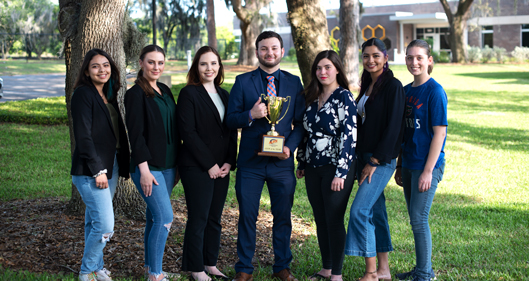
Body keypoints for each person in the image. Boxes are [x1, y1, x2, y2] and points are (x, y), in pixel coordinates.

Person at [226, 31, 305, 281]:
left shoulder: (294, 83)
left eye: (274, 48)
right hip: (250, 163)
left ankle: (282, 265)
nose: (269, 53)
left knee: (282, 215)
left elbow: (301, 123)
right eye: (264, 49)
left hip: (281, 164)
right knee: (247, 215)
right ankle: (244, 268)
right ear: (257, 52)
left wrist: (289, 148)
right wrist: (250, 115)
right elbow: (230, 119)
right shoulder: (242, 81)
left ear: (282, 52)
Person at [344, 37, 405, 281]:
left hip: (379, 160)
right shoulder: (367, 85)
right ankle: (384, 270)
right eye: (366, 56)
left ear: (385, 58)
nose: (370, 60)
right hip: (363, 156)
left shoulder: (393, 86)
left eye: (375, 56)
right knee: (377, 212)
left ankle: (370, 273)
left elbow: (394, 128)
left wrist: (374, 161)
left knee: (359, 211)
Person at [177, 46, 237, 281]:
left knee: (214, 218)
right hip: (196, 167)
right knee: (199, 217)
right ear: (196, 67)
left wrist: (229, 162)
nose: (209, 68)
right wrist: (209, 164)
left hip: (222, 168)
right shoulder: (189, 94)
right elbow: (188, 133)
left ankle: (210, 263)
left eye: (213, 63)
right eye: (203, 64)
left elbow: (231, 131)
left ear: (219, 66)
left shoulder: (225, 95)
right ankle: (195, 268)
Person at [295, 50, 357, 281]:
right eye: (319, 68)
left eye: (327, 67)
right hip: (312, 167)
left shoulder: (344, 97)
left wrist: (341, 172)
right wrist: (301, 160)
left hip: (336, 168)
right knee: (320, 218)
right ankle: (327, 267)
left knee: (333, 217)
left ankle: (337, 274)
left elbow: (349, 137)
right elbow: (305, 133)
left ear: (337, 69)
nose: (322, 72)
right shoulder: (310, 97)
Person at [70, 48, 130, 281]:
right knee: (105, 225)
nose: (102, 70)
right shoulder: (83, 95)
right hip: (92, 170)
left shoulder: (107, 94)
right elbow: (83, 137)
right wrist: (98, 170)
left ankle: (96, 267)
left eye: (105, 65)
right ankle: (86, 272)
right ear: (86, 70)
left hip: (111, 165)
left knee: (93, 222)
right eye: (95, 66)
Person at [394, 39, 447, 281]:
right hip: (408, 163)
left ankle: (425, 274)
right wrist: (399, 164)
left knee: (418, 218)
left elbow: (440, 133)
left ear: (429, 60)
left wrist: (428, 171)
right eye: (409, 57)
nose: (414, 62)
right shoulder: (406, 91)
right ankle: (421, 268)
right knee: (415, 219)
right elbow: (404, 132)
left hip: (427, 165)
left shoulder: (435, 91)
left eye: (419, 57)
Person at [124, 45, 178, 281]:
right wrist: (144, 171)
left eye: (160, 62)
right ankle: (155, 275)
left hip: (169, 166)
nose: (156, 67)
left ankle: (149, 266)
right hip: (149, 168)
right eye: (151, 62)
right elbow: (135, 136)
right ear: (141, 63)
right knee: (165, 218)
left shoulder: (165, 90)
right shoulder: (134, 94)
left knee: (153, 218)